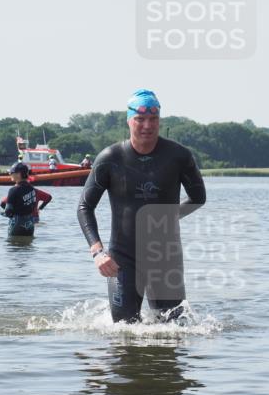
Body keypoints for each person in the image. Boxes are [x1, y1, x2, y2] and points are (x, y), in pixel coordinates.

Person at [77, 89, 206, 323]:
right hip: (122, 258)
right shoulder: (110, 158)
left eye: (153, 119)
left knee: (174, 330)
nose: (147, 125)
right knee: (123, 330)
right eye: (140, 119)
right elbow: (85, 207)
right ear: (129, 120)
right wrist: (97, 252)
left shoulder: (179, 156)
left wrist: (168, 216)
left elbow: (198, 197)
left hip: (165, 257)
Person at [1, 162, 39, 236]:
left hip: (17, 226)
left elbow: (7, 213)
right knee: (28, 243)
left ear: (18, 174)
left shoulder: (13, 190)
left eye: (11, 172)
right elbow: (33, 208)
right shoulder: (32, 189)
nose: (10, 174)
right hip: (30, 226)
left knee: (13, 243)